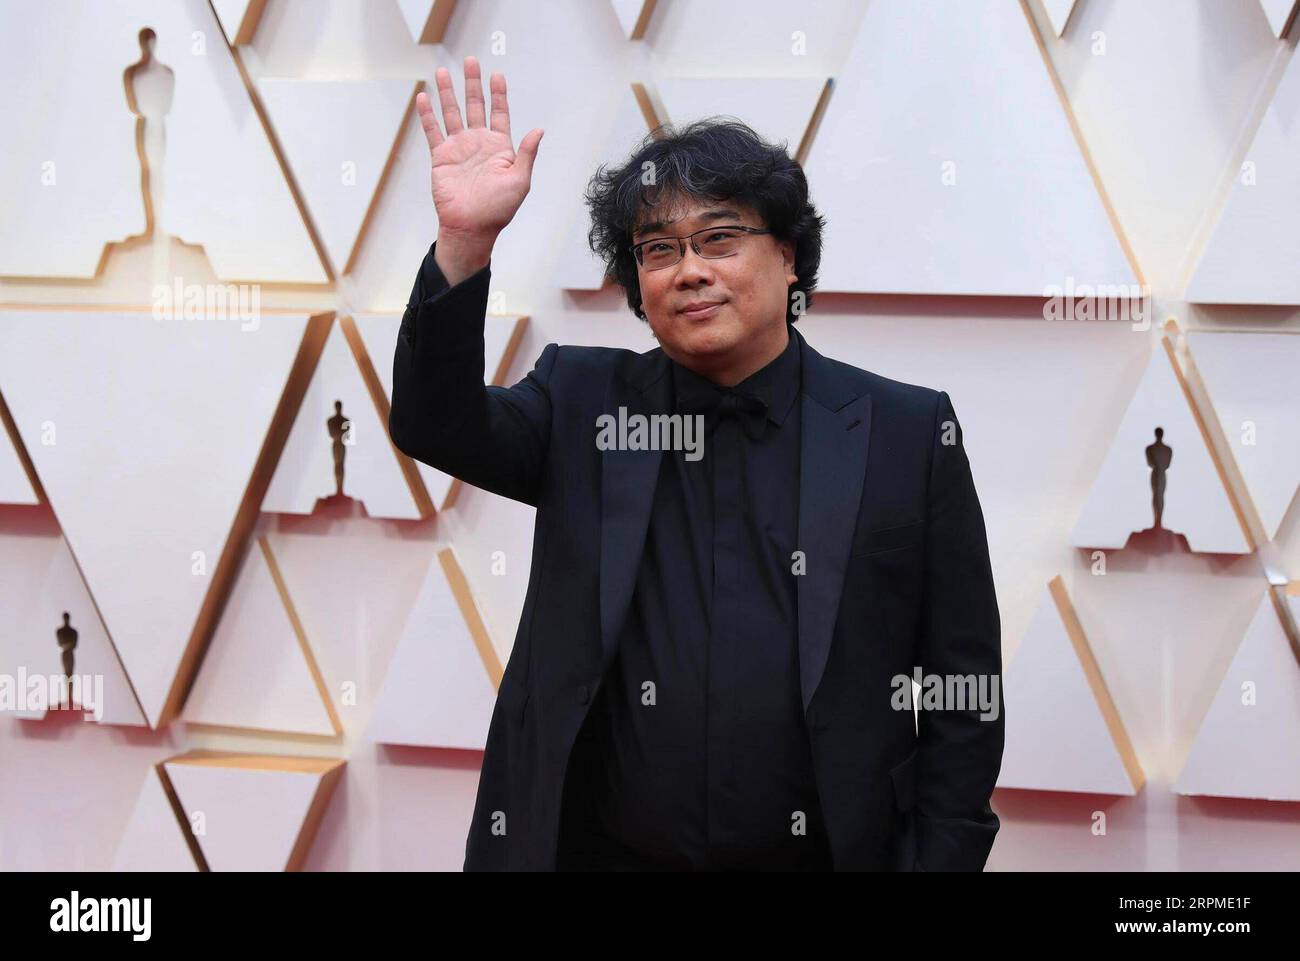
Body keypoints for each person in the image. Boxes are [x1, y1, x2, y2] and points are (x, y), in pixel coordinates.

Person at [389, 56, 1004, 871]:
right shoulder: (580, 401)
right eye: (657, 249)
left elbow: (964, 693)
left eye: (719, 237)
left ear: (789, 256)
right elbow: (436, 422)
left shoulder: (906, 430)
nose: (689, 269)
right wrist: (464, 245)